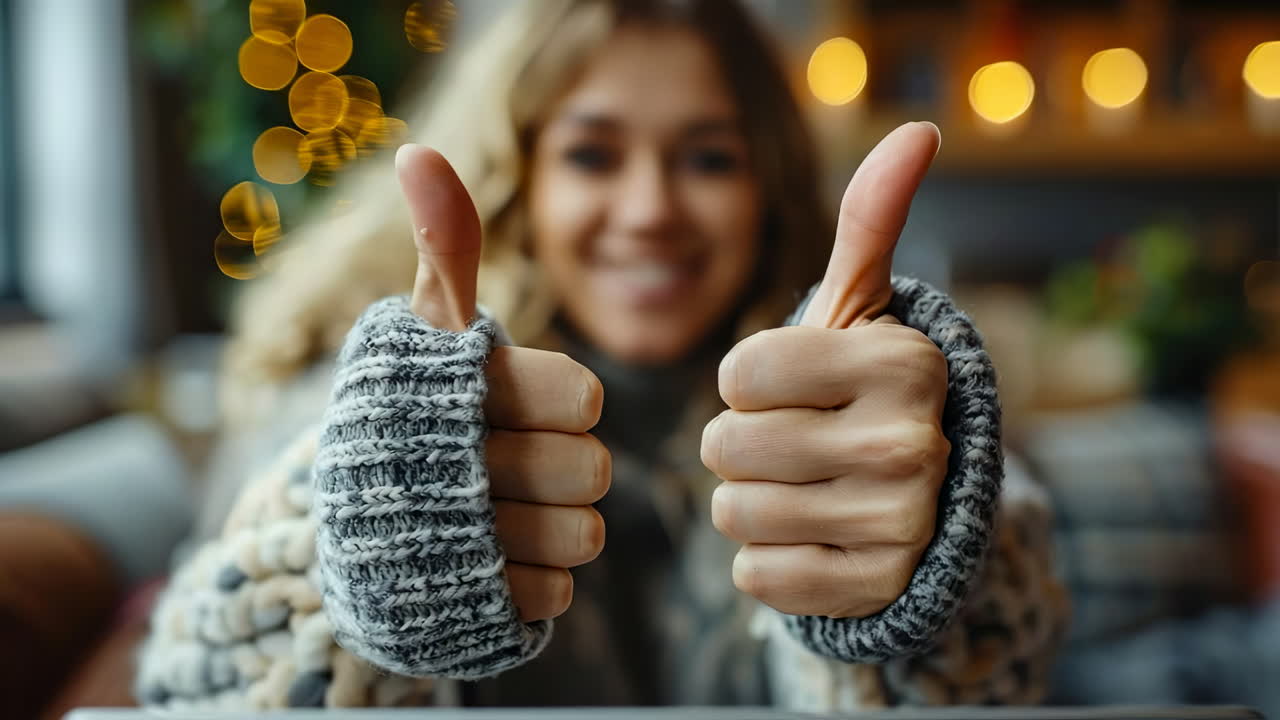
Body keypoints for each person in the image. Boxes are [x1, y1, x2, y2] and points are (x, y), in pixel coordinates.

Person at [135, 0, 1065, 710]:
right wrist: (371, 505)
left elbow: (1010, 634)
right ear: (516, 177)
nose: (652, 208)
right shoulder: (361, 393)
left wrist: (934, 543)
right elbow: (186, 690)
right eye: (592, 155)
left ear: (768, 189)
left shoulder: (854, 381)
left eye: (707, 159)